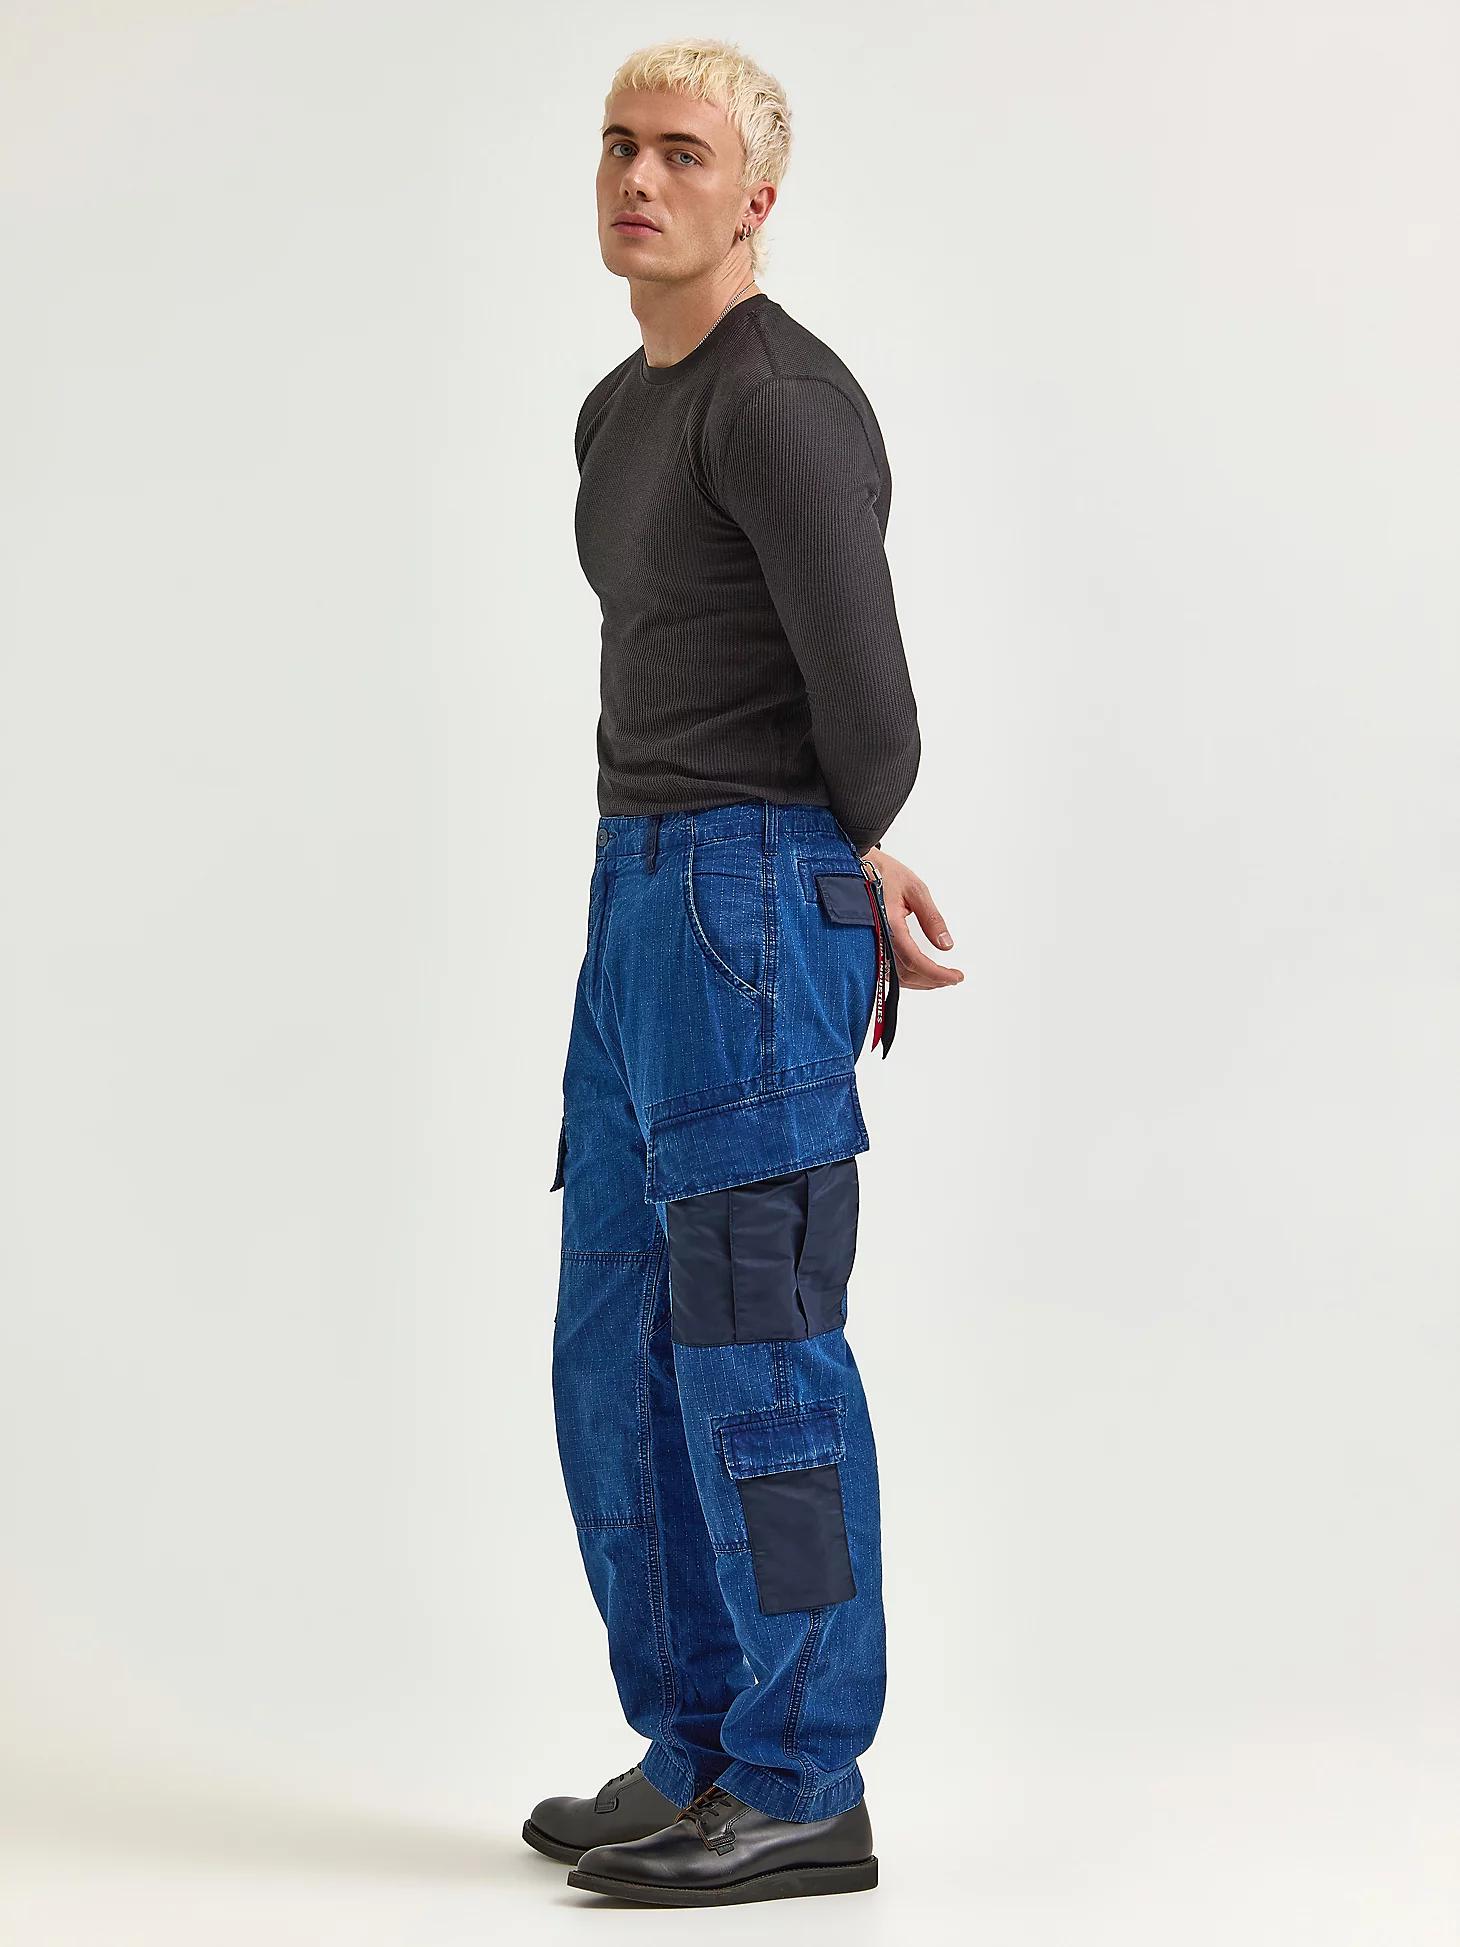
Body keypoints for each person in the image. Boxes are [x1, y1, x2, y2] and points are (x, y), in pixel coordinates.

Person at [523, 38, 963, 1908]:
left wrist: (838, 855)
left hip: (743, 909)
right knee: (619, 1351)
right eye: (620, 146)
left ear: (757, 196)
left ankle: (801, 1776)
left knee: (757, 1349)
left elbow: (875, 716)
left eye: (684, 154)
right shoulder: (617, 412)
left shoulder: (783, 407)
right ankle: (696, 1743)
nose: (641, 179)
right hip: (637, 903)